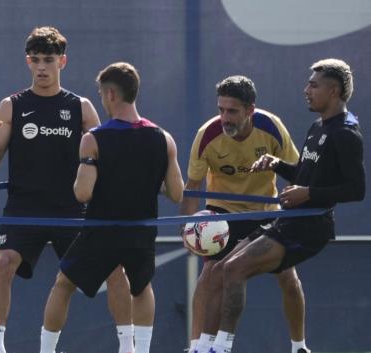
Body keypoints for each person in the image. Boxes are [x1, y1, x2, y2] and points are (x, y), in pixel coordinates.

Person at [0, 27, 133, 353]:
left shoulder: (82, 108)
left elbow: (106, 158)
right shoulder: (11, 106)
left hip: (72, 209)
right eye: (35, 60)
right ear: (27, 61)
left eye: (48, 60)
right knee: (3, 262)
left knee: (115, 270)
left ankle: (128, 348)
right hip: (24, 208)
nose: (41, 67)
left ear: (62, 61)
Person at [205, 59, 365, 353]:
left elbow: (357, 190)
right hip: (290, 221)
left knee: (234, 269)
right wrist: (277, 164)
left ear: (334, 90)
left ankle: (221, 348)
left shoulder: (346, 133)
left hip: (310, 226)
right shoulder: (319, 126)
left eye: (314, 85)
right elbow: (305, 174)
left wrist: (308, 194)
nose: (306, 90)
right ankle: (297, 348)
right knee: (220, 270)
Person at [38, 62, 184, 353]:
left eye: (102, 95)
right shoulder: (163, 139)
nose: (102, 100)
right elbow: (177, 193)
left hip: (101, 231)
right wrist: (144, 178)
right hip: (141, 233)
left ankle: (47, 351)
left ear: (111, 95)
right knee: (141, 287)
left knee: (63, 284)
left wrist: (89, 168)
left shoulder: (93, 139)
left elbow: (82, 193)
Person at [180, 75, 309, 353]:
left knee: (288, 277)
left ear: (250, 110)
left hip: (267, 211)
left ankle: (299, 346)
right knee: (211, 273)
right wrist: (187, 229)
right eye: (221, 110)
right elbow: (191, 188)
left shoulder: (272, 127)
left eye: (232, 111)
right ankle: (196, 347)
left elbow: (298, 173)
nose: (224, 118)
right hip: (222, 213)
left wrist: (295, 207)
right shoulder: (208, 135)